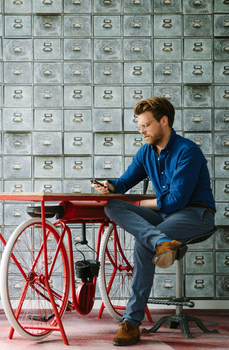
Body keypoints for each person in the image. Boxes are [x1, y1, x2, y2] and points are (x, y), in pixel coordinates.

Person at [91, 96, 216, 346]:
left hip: (196, 214)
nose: (141, 131)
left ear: (164, 121)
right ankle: (162, 241)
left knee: (142, 244)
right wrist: (110, 185)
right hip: (166, 216)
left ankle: (131, 323)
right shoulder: (146, 152)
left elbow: (177, 201)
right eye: (140, 126)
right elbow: (125, 182)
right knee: (113, 205)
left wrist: (140, 204)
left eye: (146, 125)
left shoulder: (187, 151)